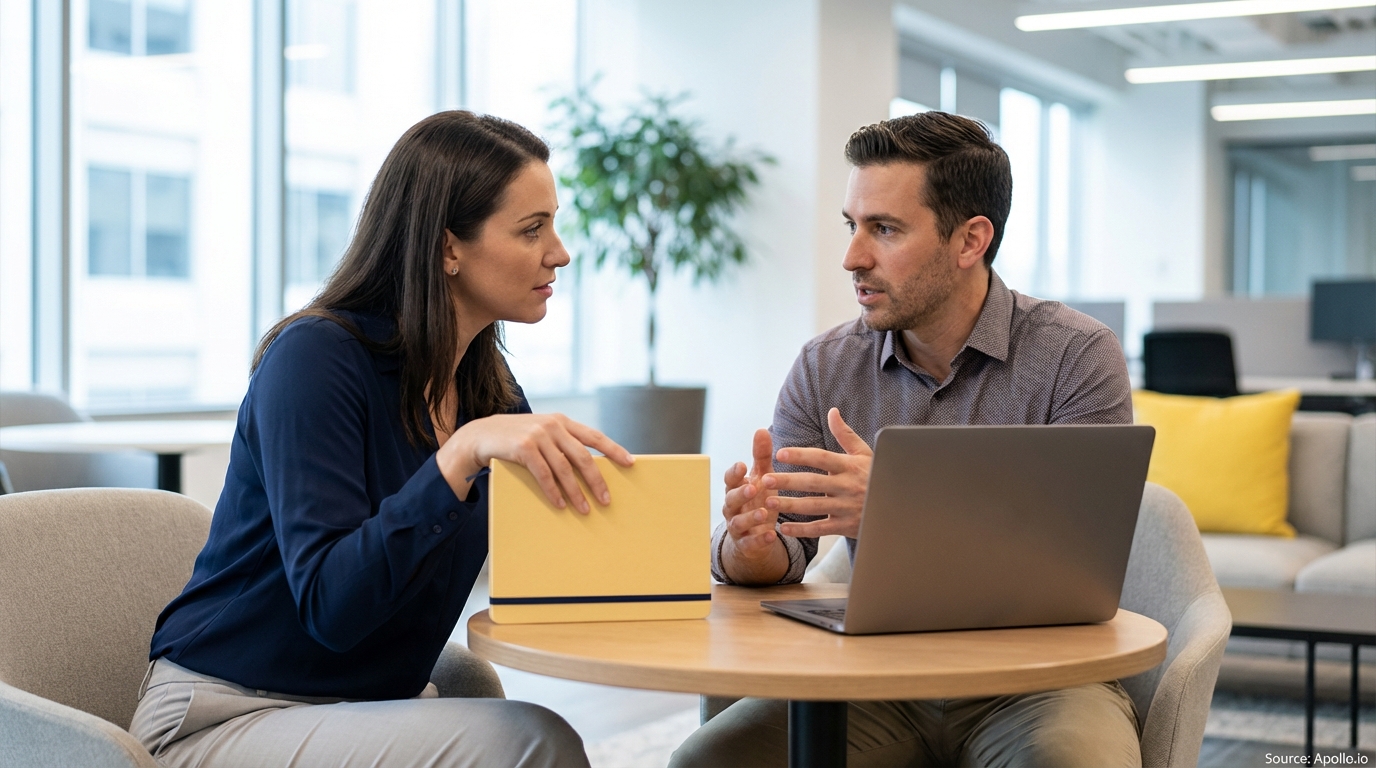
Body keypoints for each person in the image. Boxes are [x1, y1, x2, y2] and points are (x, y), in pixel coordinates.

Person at [130, 111, 633, 767]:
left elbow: (564, 554)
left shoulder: (488, 386)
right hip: (223, 717)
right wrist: (455, 457)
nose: (559, 251)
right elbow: (333, 609)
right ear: (447, 247)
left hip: (359, 708)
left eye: (554, 224)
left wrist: (731, 548)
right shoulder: (313, 360)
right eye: (532, 229)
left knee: (501, 713)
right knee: (532, 743)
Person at [671, 112, 1137, 767]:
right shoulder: (825, 365)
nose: (852, 257)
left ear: (970, 239)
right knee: (709, 762)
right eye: (852, 226)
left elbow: (1082, 566)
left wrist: (900, 509)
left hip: (1037, 678)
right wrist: (751, 548)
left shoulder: (1076, 356)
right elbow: (786, 550)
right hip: (870, 677)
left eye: (884, 229)